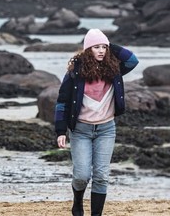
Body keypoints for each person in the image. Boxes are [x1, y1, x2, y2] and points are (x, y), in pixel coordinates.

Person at [54, 29, 139, 216]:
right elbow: (62, 102)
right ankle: (77, 203)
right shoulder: (75, 73)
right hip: (81, 130)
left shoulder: (114, 70)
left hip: (106, 129)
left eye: (103, 47)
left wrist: (108, 44)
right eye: (96, 47)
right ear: (87, 50)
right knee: (82, 176)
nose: (101, 51)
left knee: (101, 176)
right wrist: (61, 131)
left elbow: (132, 60)